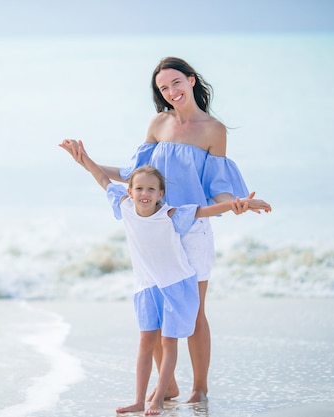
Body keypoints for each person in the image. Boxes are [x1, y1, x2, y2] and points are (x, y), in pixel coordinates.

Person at [60, 56, 271, 403]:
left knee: (193, 312)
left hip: (193, 229)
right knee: (157, 312)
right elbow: (134, 176)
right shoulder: (159, 124)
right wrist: (86, 160)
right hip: (156, 230)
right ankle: (167, 386)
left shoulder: (213, 130)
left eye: (176, 83)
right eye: (163, 88)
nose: (171, 91)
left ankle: (199, 388)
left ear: (191, 80)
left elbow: (217, 185)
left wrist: (238, 203)